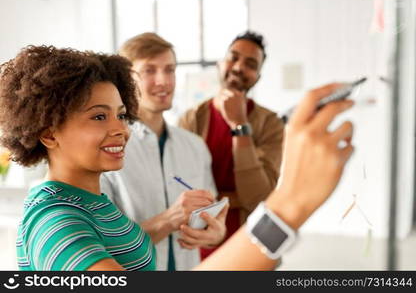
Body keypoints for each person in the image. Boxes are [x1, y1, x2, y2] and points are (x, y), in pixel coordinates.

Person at [0, 45, 354, 271]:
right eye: (98, 116)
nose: (120, 130)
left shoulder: (92, 202)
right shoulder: (55, 222)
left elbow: (124, 242)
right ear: (48, 134)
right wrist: (288, 206)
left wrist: (176, 220)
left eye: (121, 115)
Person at [100, 33, 227, 271]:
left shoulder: (195, 147)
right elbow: (106, 246)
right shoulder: (108, 150)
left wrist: (216, 233)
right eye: (149, 71)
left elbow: (211, 217)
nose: (163, 81)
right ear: (127, 80)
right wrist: (169, 220)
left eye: (169, 70)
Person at [179, 31, 284, 259]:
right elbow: (182, 188)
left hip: (251, 244)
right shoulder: (191, 119)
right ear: (220, 63)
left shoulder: (271, 124)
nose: (238, 67)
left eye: (250, 64)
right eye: (233, 57)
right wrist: (234, 198)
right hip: (199, 244)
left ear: (257, 76)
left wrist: (239, 125)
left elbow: (258, 197)